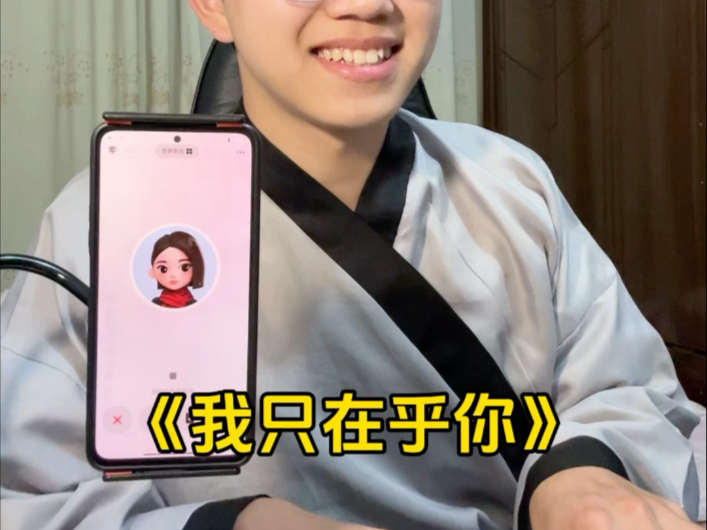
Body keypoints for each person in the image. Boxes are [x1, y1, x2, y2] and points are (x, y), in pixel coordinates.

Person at [0, 1, 702, 529]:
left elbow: (630, 395)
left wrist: (578, 473)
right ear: (214, 5)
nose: (365, 5)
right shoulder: (108, 222)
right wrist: (232, 524)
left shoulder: (512, 187)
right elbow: (27, 496)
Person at [148, 231, 205, 308]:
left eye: (184, 267)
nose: (173, 275)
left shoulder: (193, 305)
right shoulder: (156, 303)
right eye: (163, 269)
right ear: (152, 272)